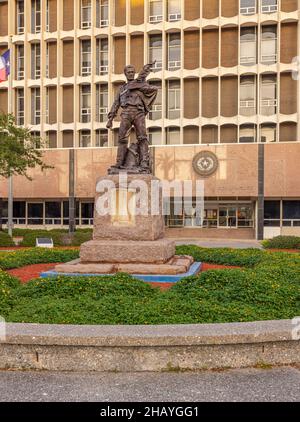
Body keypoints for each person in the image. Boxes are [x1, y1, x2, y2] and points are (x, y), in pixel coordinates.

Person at [106, 62, 158, 173]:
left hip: (138, 112)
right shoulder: (122, 89)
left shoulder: (139, 83)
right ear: (125, 74)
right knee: (122, 139)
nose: (131, 74)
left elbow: (147, 82)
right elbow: (116, 103)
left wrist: (145, 72)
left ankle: (144, 163)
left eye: (132, 72)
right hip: (126, 113)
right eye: (128, 72)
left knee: (142, 137)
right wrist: (110, 119)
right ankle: (119, 163)